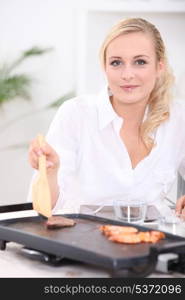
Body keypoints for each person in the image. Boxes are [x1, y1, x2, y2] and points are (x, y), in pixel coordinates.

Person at [28, 17, 185, 215]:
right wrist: (50, 172)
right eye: (116, 62)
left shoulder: (178, 117)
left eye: (140, 62)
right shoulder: (76, 114)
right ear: (105, 67)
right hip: (82, 240)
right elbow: (42, 210)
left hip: (153, 242)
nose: (127, 74)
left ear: (159, 67)